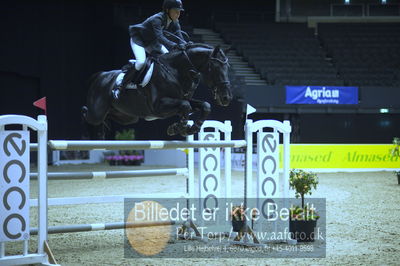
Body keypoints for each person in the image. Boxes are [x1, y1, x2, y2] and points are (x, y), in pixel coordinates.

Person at [113, 0, 187, 99]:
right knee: (141, 62)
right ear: (167, 10)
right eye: (176, 11)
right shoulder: (157, 19)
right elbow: (160, 37)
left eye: (179, 11)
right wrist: (174, 45)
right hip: (138, 40)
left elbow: (178, 33)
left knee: (169, 60)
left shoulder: (175, 21)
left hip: (152, 42)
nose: (178, 14)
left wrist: (186, 44)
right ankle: (121, 85)